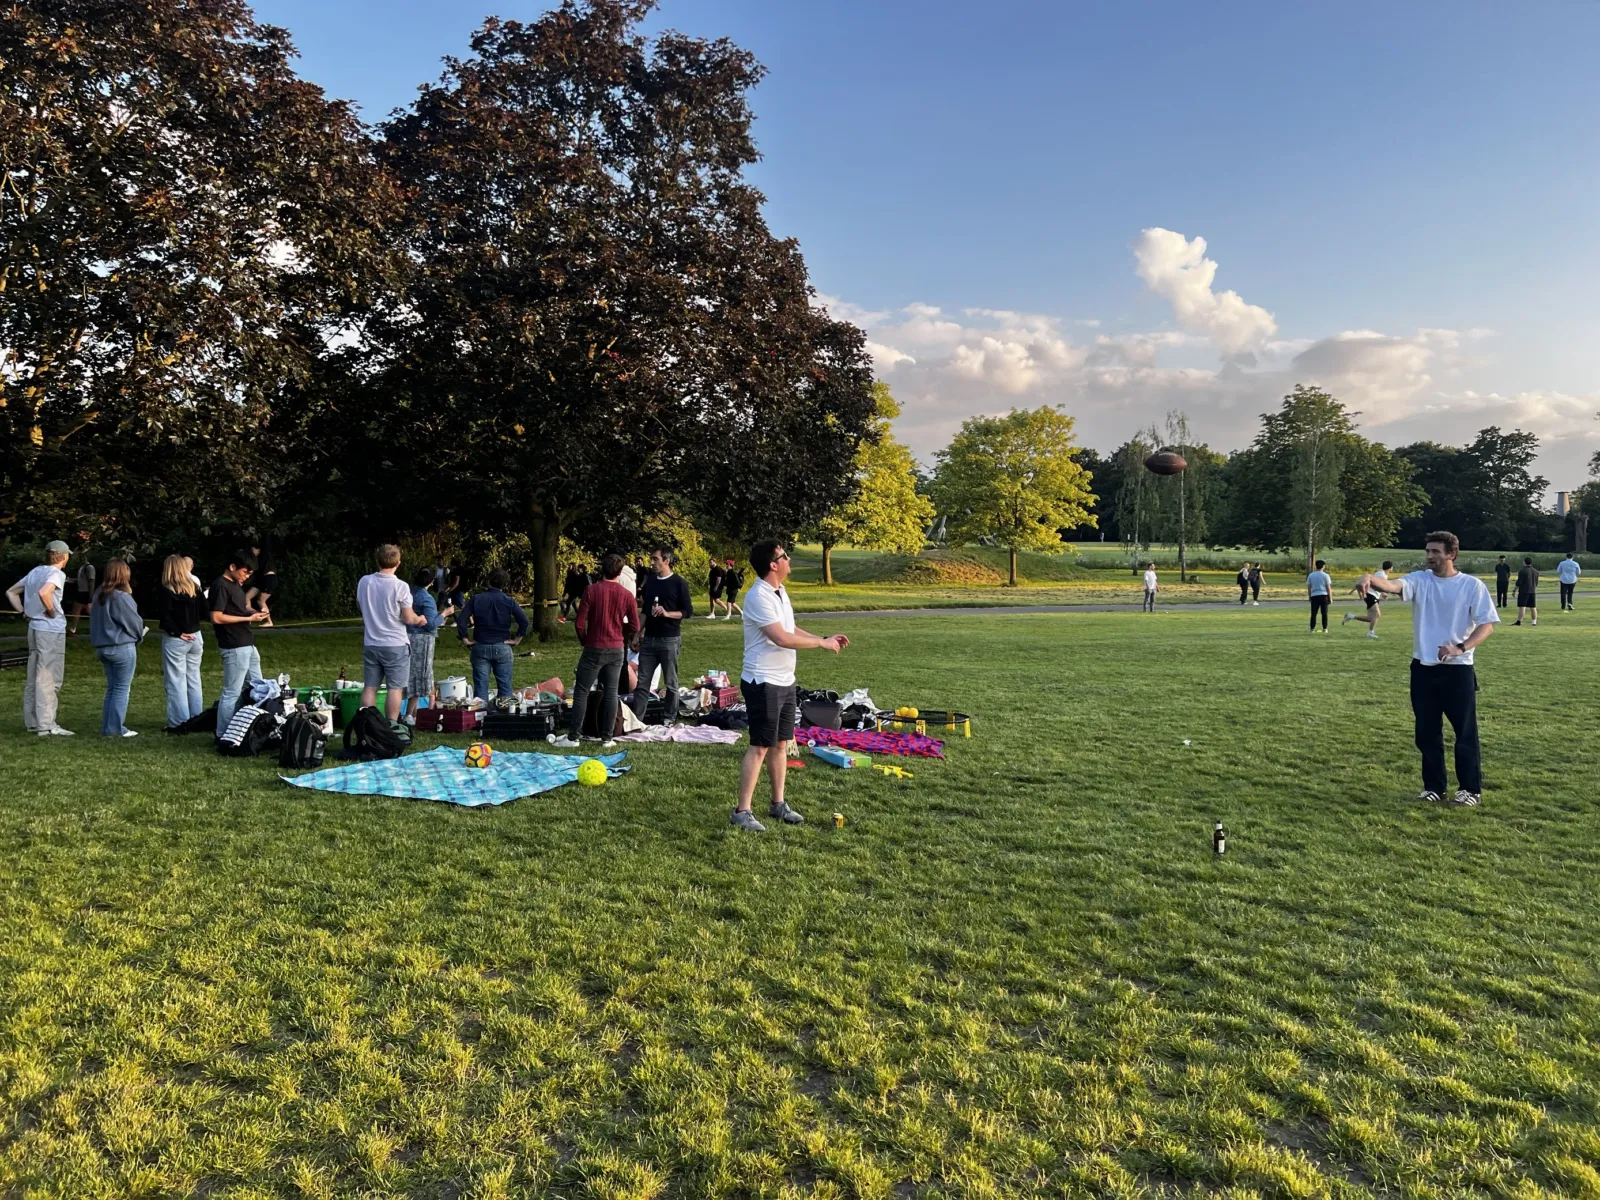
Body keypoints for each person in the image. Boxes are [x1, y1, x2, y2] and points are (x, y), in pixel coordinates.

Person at [1356, 531, 1497, 806]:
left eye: (1435, 551)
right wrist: (1368, 579)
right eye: (1427, 551)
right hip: (1423, 669)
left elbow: (1487, 625)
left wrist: (1461, 647)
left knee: (1465, 733)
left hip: (1458, 670)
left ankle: (1470, 790)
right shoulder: (1420, 580)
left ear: (1451, 554)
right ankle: (1434, 788)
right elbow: (1393, 586)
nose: (1429, 556)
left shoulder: (1471, 586)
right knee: (1427, 732)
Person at [729, 539, 849, 832]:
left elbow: (790, 629)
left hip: (785, 681)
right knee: (760, 746)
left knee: (781, 743)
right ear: (773, 564)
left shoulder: (780, 592)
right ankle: (742, 811)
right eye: (785, 556)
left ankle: (777, 804)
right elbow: (780, 638)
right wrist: (820, 644)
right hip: (763, 682)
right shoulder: (759, 596)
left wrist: (824, 637)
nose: (789, 560)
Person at [552, 554, 638, 749]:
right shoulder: (626, 595)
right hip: (616, 648)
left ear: (601, 570)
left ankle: (574, 737)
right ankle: (607, 738)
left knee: (582, 691)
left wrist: (585, 640)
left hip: (594, 647)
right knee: (611, 692)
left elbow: (580, 623)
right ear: (620, 572)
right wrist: (622, 636)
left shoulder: (591, 591)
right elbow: (635, 624)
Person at [7, 540, 74, 735]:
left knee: (33, 675)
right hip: (50, 630)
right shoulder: (57, 574)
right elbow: (45, 592)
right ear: (63, 556)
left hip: (34, 628)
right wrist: (51, 611)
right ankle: (47, 725)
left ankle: (33, 721)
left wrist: (25, 612)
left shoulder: (36, 571)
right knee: (49, 675)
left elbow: (11, 592)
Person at [356, 544, 427, 722]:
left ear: (377, 561)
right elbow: (408, 618)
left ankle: (368, 725)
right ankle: (391, 726)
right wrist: (420, 619)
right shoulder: (401, 586)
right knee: (394, 689)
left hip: (371, 643)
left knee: (370, 688)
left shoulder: (365, 581)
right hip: (395, 644)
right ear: (398, 563)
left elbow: (361, 605)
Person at [631, 545, 693, 723]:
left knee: (671, 682)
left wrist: (667, 613)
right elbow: (645, 611)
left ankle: (669, 718)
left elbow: (687, 611)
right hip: (649, 639)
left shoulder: (679, 583)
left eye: (655, 559)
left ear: (666, 560)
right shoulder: (650, 581)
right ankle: (637, 720)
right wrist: (637, 633)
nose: (652, 563)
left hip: (670, 638)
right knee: (642, 682)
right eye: (651, 559)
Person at [210, 549, 271, 733]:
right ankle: (224, 734)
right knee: (232, 692)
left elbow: (239, 609)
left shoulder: (235, 585)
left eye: (250, 574)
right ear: (232, 566)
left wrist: (254, 613)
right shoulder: (220, 585)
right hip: (234, 645)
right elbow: (217, 617)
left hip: (247, 644)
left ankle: (249, 728)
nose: (246, 577)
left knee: (258, 687)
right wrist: (248, 619)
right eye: (245, 572)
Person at [88, 557, 146, 737]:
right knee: (121, 688)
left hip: (102, 646)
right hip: (121, 646)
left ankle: (109, 726)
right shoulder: (121, 597)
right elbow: (134, 622)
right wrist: (139, 635)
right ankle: (115, 728)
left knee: (113, 688)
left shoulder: (99, 593)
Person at [456, 568, 529, 700]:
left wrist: (465, 638)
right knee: (505, 686)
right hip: (502, 645)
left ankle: (481, 716)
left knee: (480, 688)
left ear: (488, 581)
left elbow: (461, 619)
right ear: (504, 584)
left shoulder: (476, 599)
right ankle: (504, 716)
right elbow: (524, 620)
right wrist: (517, 638)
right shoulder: (509, 601)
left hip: (480, 645)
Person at [157, 553, 207, 728]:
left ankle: (179, 721)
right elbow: (205, 611)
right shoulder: (194, 587)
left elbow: (165, 618)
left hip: (176, 638)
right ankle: (196, 717)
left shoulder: (167, 589)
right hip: (196, 636)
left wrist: (177, 632)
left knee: (175, 680)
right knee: (193, 677)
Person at [404, 567, 454, 723]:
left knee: (409, 675)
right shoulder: (427, 599)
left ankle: (413, 713)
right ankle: (409, 715)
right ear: (432, 582)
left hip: (406, 637)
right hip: (422, 640)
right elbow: (431, 625)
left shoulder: (408, 593)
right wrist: (445, 614)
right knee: (419, 677)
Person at [1342, 559, 1393, 639]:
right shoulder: (1381, 575)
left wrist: (1383, 593)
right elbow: (1374, 585)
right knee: (1376, 615)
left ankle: (1351, 616)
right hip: (1370, 595)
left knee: (1371, 618)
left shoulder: (1382, 574)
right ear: (1391, 568)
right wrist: (1384, 593)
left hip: (1373, 595)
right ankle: (1370, 633)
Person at [245, 545, 277, 627]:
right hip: (261, 580)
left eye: (253, 550)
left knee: (261, 601)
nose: (252, 552)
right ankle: (249, 617)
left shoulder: (265, 555)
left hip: (269, 579)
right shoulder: (256, 560)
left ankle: (269, 622)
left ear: (258, 549)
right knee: (247, 597)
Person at [68, 556, 95, 635]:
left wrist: (90, 599)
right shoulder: (82, 568)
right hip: (81, 591)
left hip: (86, 592)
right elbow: (81, 580)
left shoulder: (89, 567)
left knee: (85, 611)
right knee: (77, 611)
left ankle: (73, 629)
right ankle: (73, 629)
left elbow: (91, 582)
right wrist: (72, 580)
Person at [1307, 559, 1332, 633]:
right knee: (1324, 613)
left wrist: (1309, 596)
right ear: (1323, 566)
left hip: (1314, 595)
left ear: (1316, 566)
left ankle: (1312, 629)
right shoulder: (1325, 575)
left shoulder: (1311, 575)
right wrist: (1330, 598)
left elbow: (1309, 587)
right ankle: (1325, 628)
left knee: (1313, 613)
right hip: (1324, 595)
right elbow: (1328, 588)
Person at [1513, 556, 1538, 626]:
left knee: (1522, 606)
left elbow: (1519, 582)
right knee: (1533, 607)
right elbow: (1536, 583)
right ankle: (1534, 622)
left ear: (1524, 562)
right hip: (1532, 590)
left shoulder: (1522, 571)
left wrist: (1514, 590)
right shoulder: (1536, 571)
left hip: (1524, 591)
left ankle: (1519, 621)